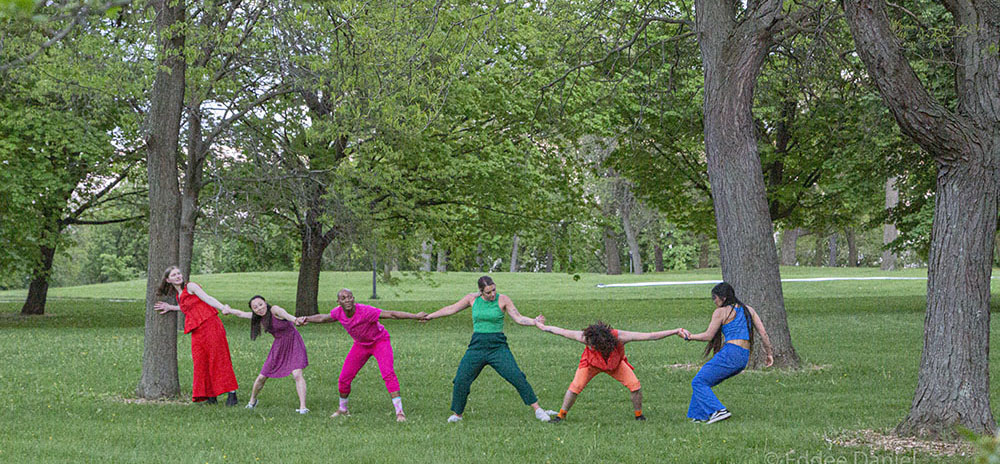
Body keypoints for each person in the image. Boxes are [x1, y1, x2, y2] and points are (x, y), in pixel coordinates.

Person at [422, 275, 554, 423]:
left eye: (493, 290)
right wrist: (430, 316)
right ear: (480, 292)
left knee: (516, 376)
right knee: (461, 379)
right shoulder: (472, 299)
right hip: (477, 346)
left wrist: (534, 322)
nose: (492, 294)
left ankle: (538, 410)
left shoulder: (503, 299)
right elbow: (451, 309)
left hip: (497, 347)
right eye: (488, 292)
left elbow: (518, 318)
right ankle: (457, 414)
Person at [296, 289, 425, 422]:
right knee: (344, 378)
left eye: (350, 297)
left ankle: (400, 412)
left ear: (354, 298)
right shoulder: (338, 312)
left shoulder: (365, 311)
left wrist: (415, 316)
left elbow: (391, 314)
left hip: (379, 342)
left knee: (388, 374)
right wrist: (306, 318)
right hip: (361, 345)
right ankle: (343, 409)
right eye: (344, 298)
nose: (348, 300)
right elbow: (323, 318)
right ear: (338, 301)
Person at [533, 318, 687, 423]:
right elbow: (561, 331)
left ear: (605, 343)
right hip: (590, 365)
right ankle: (561, 416)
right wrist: (542, 326)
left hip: (615, 364)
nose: (591, 347)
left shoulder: (620, 337)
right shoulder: (585, 338)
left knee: (635, 386)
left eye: (594, 345)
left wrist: (674, 331)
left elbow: (651, 336)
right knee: (575, 387)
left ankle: (639, 415)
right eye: (589, 344)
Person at [680, 282, 774, 424]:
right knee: (704, 379)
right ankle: (698, 416)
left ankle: (718, 411)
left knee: (698, 381)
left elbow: (708, 336)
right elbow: (763, 333)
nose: (714, 301)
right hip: (743, 357)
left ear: (723, 298)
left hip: (731, 352)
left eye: (715, 298)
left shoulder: (721, 312)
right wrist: (769, 354)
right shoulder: (749, 310)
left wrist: (689, 337)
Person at [154, 266, 239, 405]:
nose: (178, 276)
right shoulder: (179, 295)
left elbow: (207, 298)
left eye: (179, 273)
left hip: (210, 324)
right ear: (168, 280)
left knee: (219, 357)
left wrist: (222, 307)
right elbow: (188, 307)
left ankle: (232, 394)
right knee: (201, 361)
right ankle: (210, 395)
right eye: (174, 275)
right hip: (197, 331)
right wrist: (170, 307)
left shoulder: (191, 286)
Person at [221, 295, 309, 414]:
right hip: (278, 346)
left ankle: (303, 407)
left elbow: (286, 315)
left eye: (260, 304)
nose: (259, 308)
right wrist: (228, 309)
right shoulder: (258, 317)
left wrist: (295, 320)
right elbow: (241, 314)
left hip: (293, 341)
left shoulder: (274, 310)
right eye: (255, 307)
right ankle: (252, 401)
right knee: (262, 376)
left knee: (297, 374)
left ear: (265, 303)